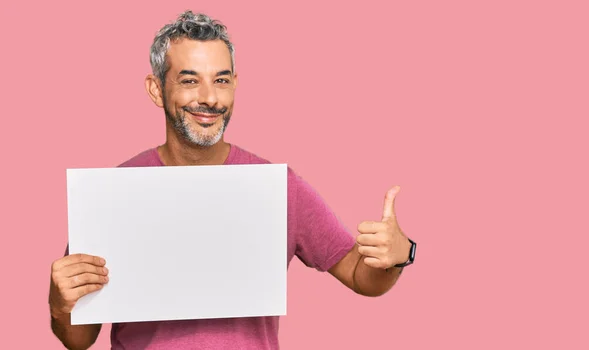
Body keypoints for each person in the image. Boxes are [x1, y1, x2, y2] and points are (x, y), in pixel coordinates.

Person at [48, 10, 417, 350]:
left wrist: (399, 256)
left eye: (221, 80)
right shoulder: (113, 194)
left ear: (235, 85)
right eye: (189, 80)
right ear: (156, 89)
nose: (209, 98)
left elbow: (358, 274)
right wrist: (59, 302)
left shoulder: (276, 188)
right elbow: (78, 339)